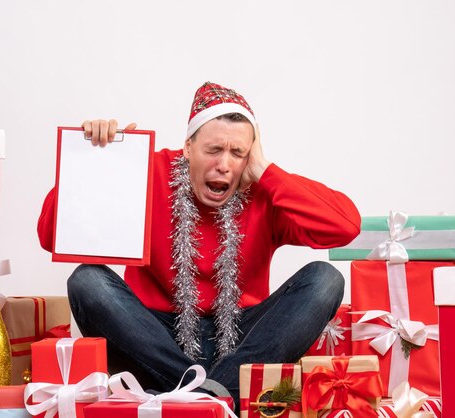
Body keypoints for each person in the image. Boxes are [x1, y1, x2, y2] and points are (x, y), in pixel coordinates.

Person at [37, 81, 361, 409]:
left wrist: (264, 171)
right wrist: (97, 161)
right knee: (87, 280)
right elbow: (51, 236)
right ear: (188, 147)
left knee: (325, 279)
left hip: (242, 338)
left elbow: (345, 226)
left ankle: (201, 397)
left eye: (238, 152)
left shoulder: (262, 187)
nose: (225, 164)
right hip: (157, 335)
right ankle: (212, 397)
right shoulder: (147, 172)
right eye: (213, 150)